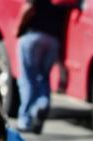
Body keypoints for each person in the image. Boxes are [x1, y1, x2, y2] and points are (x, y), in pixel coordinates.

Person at [15, 0, 69, 134]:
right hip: (53, 40)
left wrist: (18, 28)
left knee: (28, 79)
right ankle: (42, 105)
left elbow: (28, 8)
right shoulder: (62, 3)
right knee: (44, 78)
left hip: (32, 35)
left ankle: (25, 120)